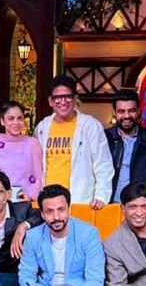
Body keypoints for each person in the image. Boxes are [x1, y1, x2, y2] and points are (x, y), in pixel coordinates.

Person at [33, 75, 113, 208]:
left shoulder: (90, 125)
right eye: (57, 97)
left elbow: (103, 165)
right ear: (50, 101)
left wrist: (101, 196)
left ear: (75, 98)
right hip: (48, 201)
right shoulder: (42, 127)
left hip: (79, 199)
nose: (63, 101)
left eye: (67, 96)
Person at [105, 89, 146, 203]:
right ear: (114, 112)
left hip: (139, 206)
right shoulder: (105, 138)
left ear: (138, 111)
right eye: (121, 111)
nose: (127, 116)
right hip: (108, 204)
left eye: (131, 111)